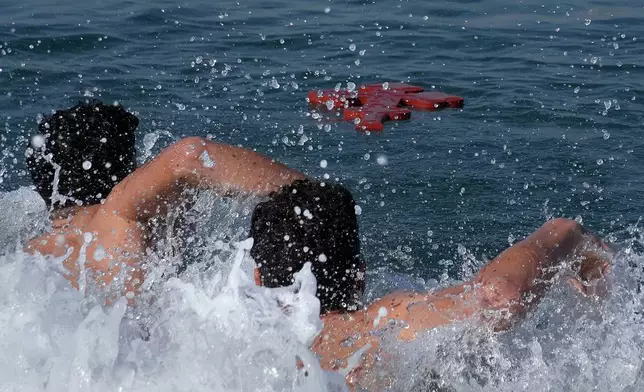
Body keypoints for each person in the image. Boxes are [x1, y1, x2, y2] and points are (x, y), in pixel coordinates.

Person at [25, 100, 613, 389]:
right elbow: (496, 297)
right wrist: (568, 231)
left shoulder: (219, 329)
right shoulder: (373, 328)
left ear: (254, 275)